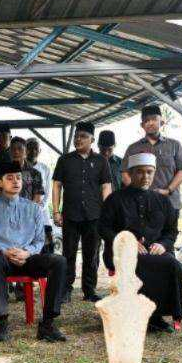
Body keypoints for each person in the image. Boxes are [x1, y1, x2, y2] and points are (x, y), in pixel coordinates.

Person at [0, 162, 68, 343]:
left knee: (60, 262)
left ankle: (47, 324)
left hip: (28, 260)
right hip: (1, 260)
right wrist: (4, 251)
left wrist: (27, 253)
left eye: (18, 177)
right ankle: (3, 323)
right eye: (9, 178)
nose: (15, 181)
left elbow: (39, 240)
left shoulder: (34, 208)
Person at [99, 153, 182, 333]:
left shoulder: (162, 201)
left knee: (173, 265)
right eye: (140, 172)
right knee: (149, 264)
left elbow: (171, 231)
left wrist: (163, 244)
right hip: (120, 252)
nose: (145, 177)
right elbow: (104, 228)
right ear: (130, 173)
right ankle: (143, 316)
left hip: (155, 251)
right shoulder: (115, 199)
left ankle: (159, 314)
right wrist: (126, 243)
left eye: (149, 172)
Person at [52, 122, 113, 303]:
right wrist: (56, 211)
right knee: (68, 254)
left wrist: (107, 212)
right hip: (70, 214)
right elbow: (57, 185)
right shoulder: (65, 160)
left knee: (91, 254)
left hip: (94, 216)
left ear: (92, 140)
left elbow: (106, 187)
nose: (78, 139)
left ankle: (89, 290)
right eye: (76, 136)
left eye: (83, 136)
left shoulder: (102, 161)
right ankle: (66, 289)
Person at [121, 105, 182, 217]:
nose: (150, 123)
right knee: (143, 234)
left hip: (169, 203)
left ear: (161, 122)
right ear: (142, 125)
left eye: (154, 119)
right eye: (146, 121)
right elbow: (125, 173)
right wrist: (138, 193)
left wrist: (168, 190)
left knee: (169, 235)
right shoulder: (133, 148)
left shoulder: (174, 145)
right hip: (142, 205)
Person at [26, 137, 54, 252]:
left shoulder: (45, 168)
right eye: (30, 148)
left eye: (36, 148)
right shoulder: (20, 168)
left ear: (39, 150)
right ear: (25, 150)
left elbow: (47, 191)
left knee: (47, 247)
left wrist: (39, 207)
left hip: (43, 213)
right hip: (25, 215)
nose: (33, 151)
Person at [9, 136, 45, 204]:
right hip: (5, 212)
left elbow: (37, 198)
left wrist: (28, 212)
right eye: (13, 149)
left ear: (26, 152)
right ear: (9, 152)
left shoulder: (35, 174)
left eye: (20, 149)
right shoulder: (0, 172)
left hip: (28, 212)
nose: (16, 152)